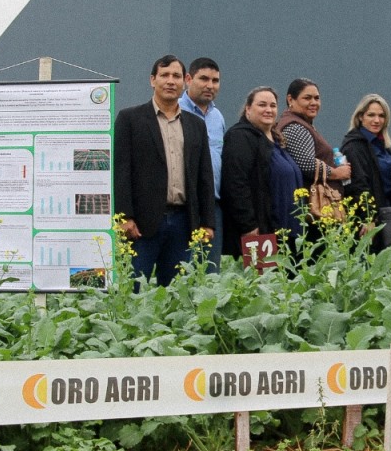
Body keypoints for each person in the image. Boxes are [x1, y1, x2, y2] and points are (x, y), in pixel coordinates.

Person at [114, 55, 216, 286]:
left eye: (176, 76)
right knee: (132, 288)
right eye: (165, 75)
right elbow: (121, 171)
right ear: (152, 80)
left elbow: (204, 176)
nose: (171, 81)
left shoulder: (195, 124)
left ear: (185, 81)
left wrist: (207, 222)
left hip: (183, 223)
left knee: (176, 295)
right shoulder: (130, 119)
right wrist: (125, 217)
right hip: (142, 224)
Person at [221, 87, 303, 256]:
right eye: (262, 105)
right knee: (264, 280)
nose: (268, 110)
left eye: (273, 106)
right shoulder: (240, 137)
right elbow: (236, 183)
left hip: (288, 233)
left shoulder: (277, 141)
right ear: (248, 109)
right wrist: (249, 225)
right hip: (261, 233)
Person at [179, 57, 225, 270]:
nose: (210, 85)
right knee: (182, 271)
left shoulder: (217, 117)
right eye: (204, 79)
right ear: (188, 79)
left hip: (213, 205)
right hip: (184, 205)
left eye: (215, 80)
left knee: (210, 272)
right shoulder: (176, 111)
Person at [277, 79, 351, 192]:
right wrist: (336, 173)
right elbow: (307, 165)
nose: (314, 103)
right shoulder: (295, 127)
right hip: (312, 204)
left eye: (317, 98)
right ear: (290, 99)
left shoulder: (301, 124)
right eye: (307, 98)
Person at [340, 94, 391, 223]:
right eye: (371, 115)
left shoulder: (384, 147)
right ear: (360, 117)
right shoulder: (353, 146)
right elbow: (358, 186)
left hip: (389, 215)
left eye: (381, 116)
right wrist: (368, 218)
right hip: (370, 221)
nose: (377, 120)